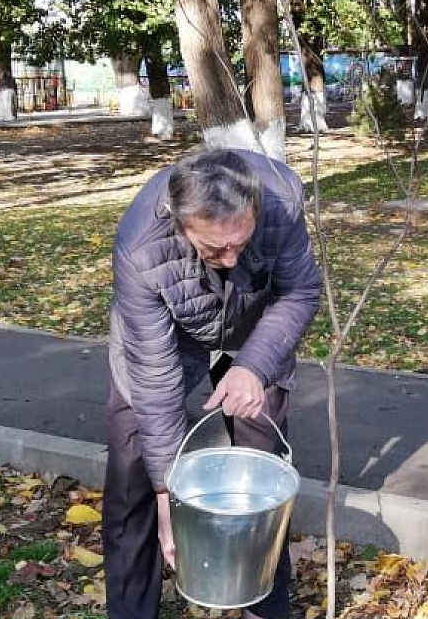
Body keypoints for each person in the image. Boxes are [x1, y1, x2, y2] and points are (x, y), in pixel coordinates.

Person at [103, 148, 321, 619]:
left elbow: (300, 291)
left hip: (256, 329)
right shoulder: (140, 246)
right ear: (179, 224)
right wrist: (167, 495)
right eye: (214, 249)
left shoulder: (279, 201)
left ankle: (263, 606)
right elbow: (154, 372)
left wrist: (254, 367)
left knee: (263, 483)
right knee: (133, 473)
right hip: (164, 339)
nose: (229, 259)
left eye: (240, 244)